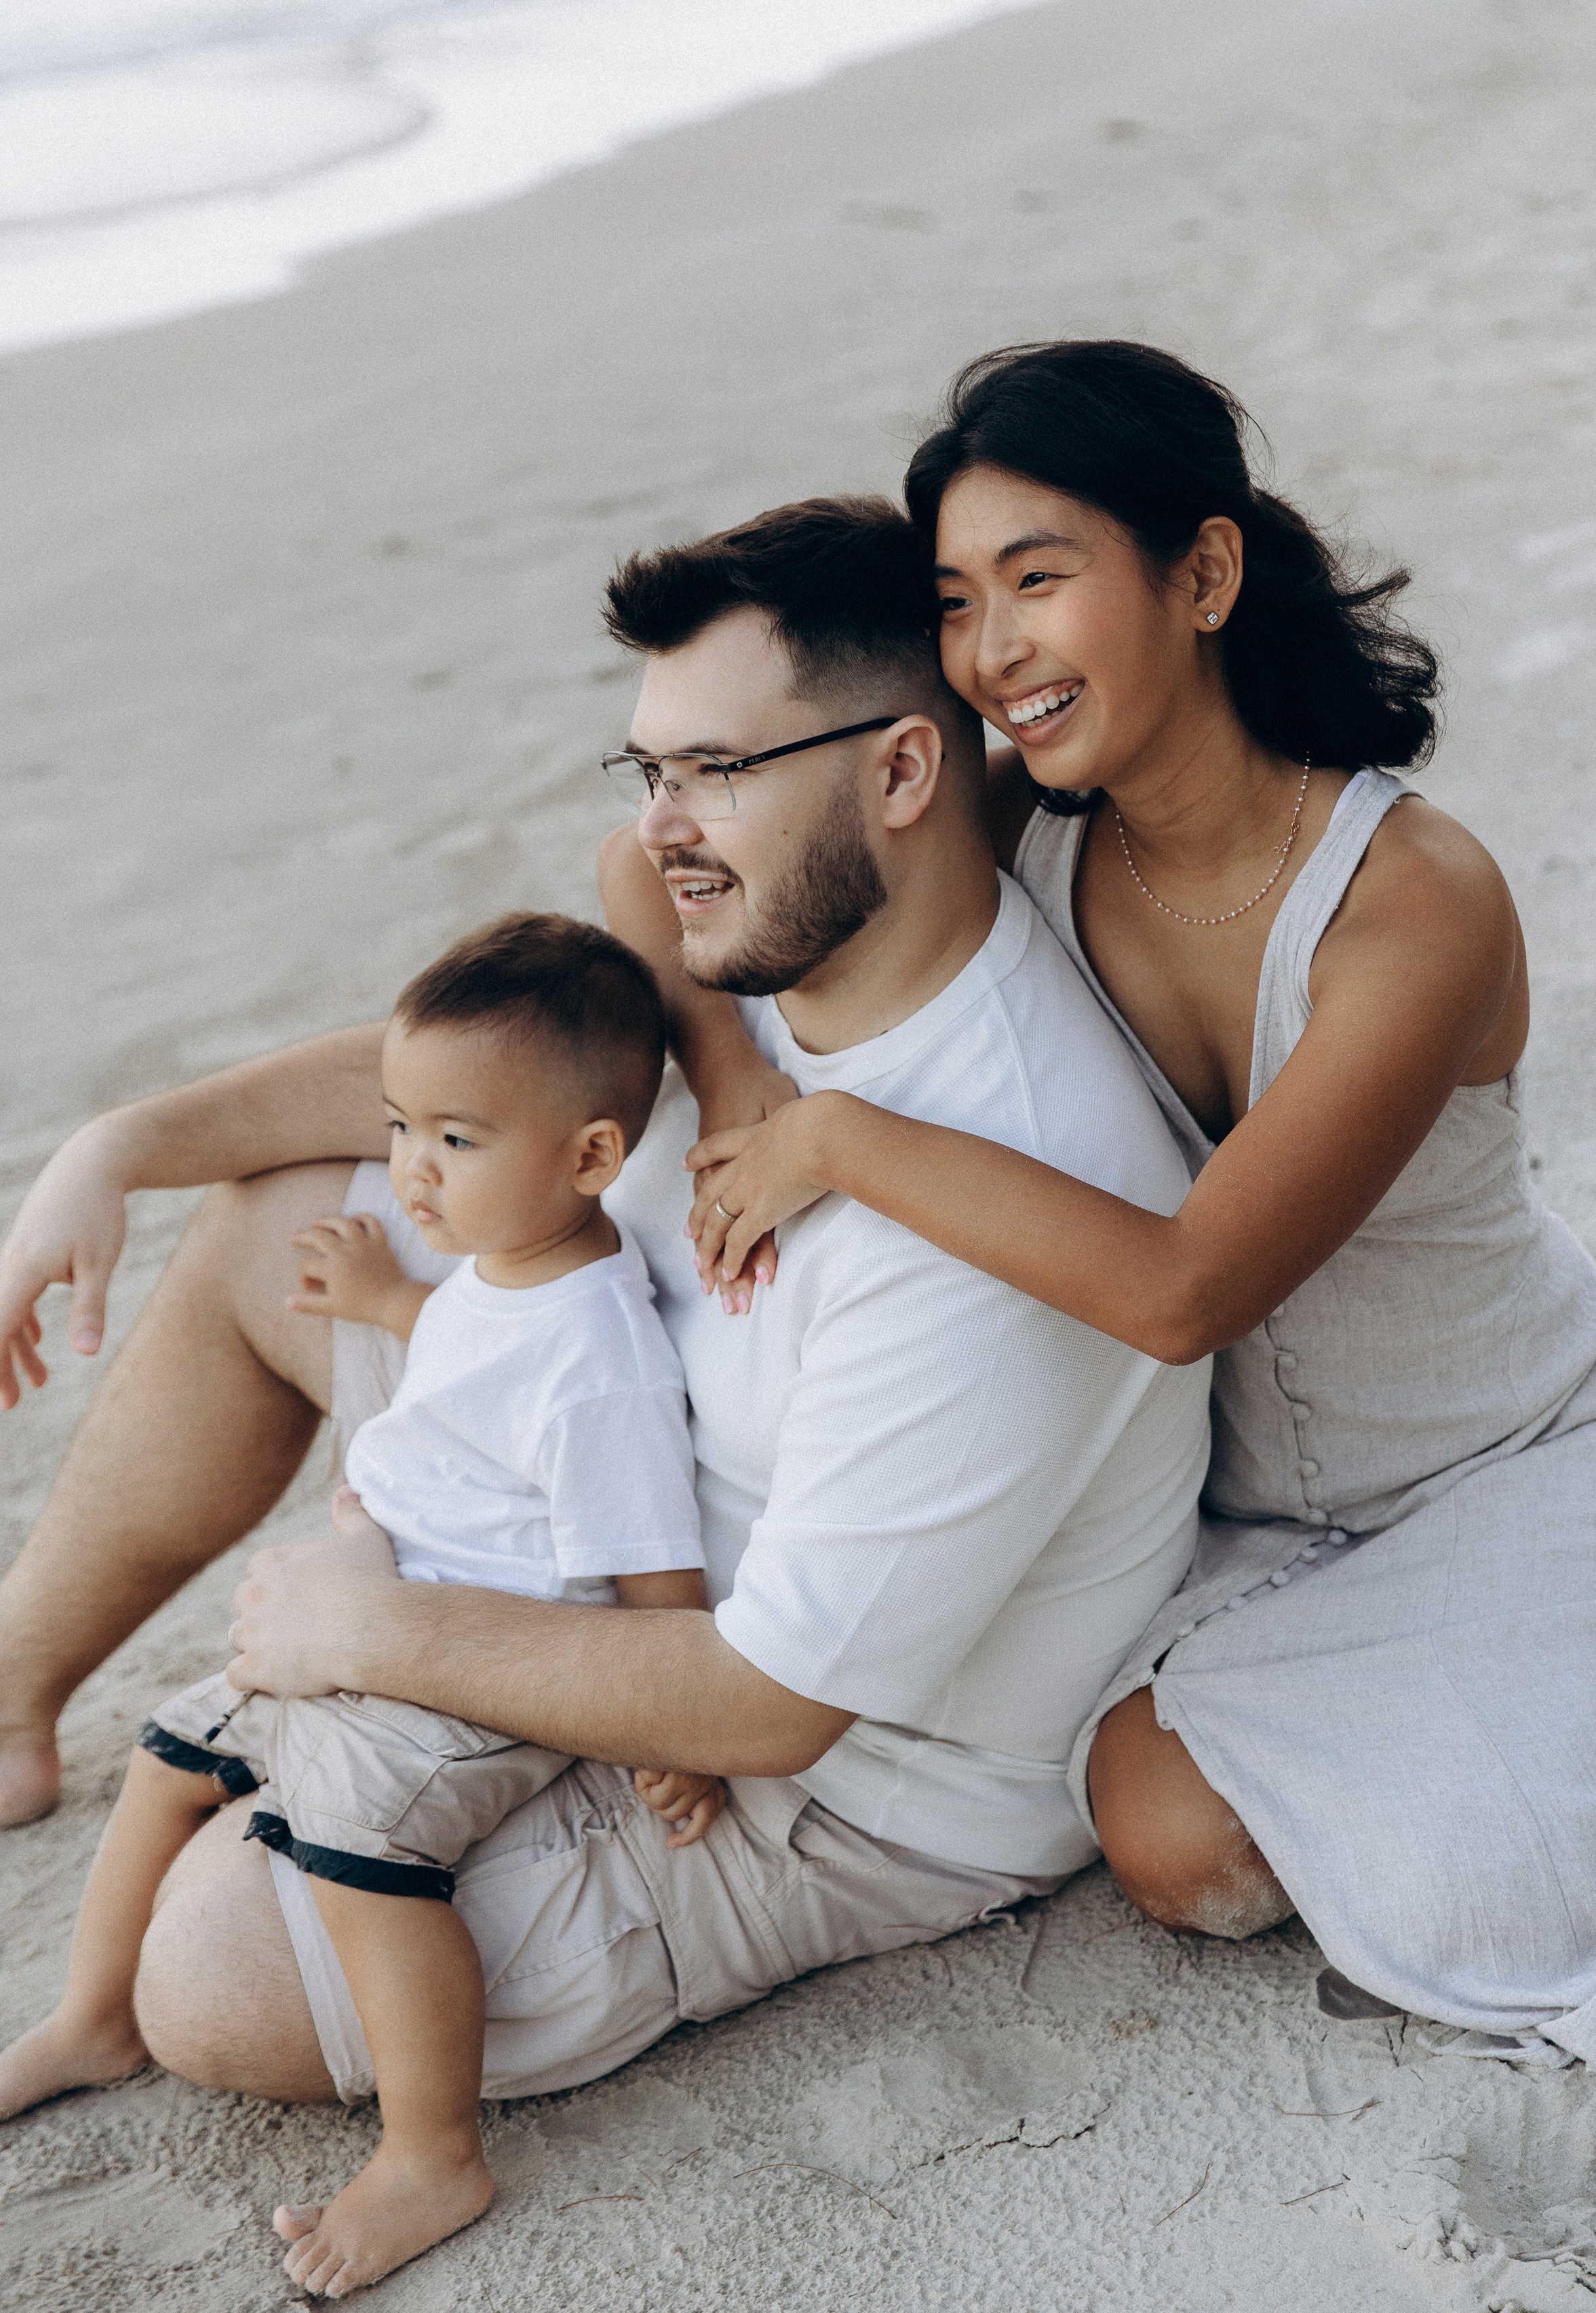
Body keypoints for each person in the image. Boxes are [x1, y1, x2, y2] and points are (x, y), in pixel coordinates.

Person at [0, 501, 1209, 2193]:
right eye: (648, 767)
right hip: (604, 1461)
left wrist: (377, 1628)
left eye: (713, 772)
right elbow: (483, 1078)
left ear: (901, 772)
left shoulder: (995, 1205)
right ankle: (13, 1693)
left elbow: (769, 1702)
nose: (662, 828)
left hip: (818, 1777)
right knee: (280, 1224)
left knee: (202, 1973)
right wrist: (120, 1144)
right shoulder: (775, 944)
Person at [667, 343, 1596, 2083]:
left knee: (1475, 1880)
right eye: (955, 604)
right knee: (1163, 1830)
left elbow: (1183, 1289)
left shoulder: (1409, 897)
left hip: (1494, 1461)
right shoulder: (1022, 823)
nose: (990, 654)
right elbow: (663, 856)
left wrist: (841, 1138)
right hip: (1228, 1519)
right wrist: (734, 1082)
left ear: (1206, 573)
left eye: (1037, 579)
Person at [0, 912, 721, 2296]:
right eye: (400, 1126)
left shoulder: (604, 1354)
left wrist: (672, 1735)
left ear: (589, 1158)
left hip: (479, 1670)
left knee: (357, 1854)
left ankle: (431, 2149)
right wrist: (389, 1299)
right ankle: (92, 2017)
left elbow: (654, 1574)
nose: (411, 1167)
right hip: (374, 1618)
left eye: (455, 1138)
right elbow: (471, 1353)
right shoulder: (508, 1263)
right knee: (166, 1756)